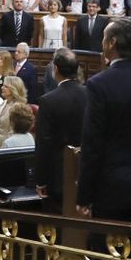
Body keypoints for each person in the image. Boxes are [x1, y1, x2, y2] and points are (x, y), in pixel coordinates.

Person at [77, 17, 131, 223]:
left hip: (110, 187)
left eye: (103, 38)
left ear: (112, 43)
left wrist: (84, 195)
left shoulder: (99, 84)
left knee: (108, 251)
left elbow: (92, 142)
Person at [33, 49, 86, 210]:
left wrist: (40, 179)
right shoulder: (91, 94)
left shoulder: (48, 101)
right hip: (85, 169)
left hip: (58, 175)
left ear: (55, 69)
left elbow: (44, 142)